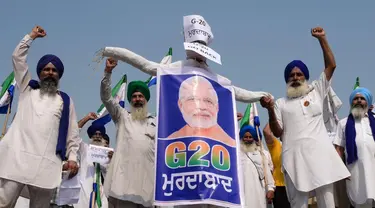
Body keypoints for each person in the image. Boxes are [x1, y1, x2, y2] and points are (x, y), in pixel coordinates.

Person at [261, 27, 350, 208]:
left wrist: (322, 39)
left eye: (299, 74)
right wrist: (270, 110)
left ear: (305, 77)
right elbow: (278, 132)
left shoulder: (316, 91)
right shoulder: (281, 103)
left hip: (321, 156)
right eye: (292, 75)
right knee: (298, 204)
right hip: (293, 160)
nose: (295, 77)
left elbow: (331, 66)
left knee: (327, 203)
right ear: (287, 80)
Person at [98, 14, 273, 106]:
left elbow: (236, 92)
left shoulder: (214, 77)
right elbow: (145, 65)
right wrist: (113, 52)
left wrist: (261, 95)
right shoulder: (175, 68)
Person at [0, 26, 80, 207]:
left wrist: (73, 157)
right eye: (46, 69)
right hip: (16, 159)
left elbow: (72, 133)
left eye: (54, 70)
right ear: (39, 73)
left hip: (46, 165)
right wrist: (31, 37)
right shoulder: (27, 89)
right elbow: (17, 58)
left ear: (59, 75)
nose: (50, 73)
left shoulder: (65, 101)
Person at [100, 58, 156, 208]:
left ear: (146, 99)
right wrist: (108, 72)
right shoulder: (123, 117)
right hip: (123, 185)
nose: (137, 99)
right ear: (130, 100)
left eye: (140, 96)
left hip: (147, 184)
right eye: (134, 96)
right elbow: (106, 98)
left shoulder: (156, 122)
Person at [334, 87, 375, 208]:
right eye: (355, 98)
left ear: (367, 102)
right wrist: (341, 170)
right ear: (351, 102)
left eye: (362, 98)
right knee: (358, 201)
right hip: (354, 171)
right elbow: (339, 149)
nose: (358, 101)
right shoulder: (343, 123)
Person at [167, 75, 235, 147]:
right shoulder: (169, 142)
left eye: (208, 101)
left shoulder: (231, 146)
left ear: (217, 107)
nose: (202, 107)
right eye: (192, 99)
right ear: (180, 105)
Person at [239, 125, 275, 208]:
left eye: (250, 137)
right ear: (241, 138)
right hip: (242, 191)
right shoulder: (236, 154)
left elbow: (268, 174)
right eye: (245, 137)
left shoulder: (262, 154)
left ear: (254, 138)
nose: (248, 139)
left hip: (259, 191)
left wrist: (270, 189)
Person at [263, 123, 290, 208]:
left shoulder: (300, 145)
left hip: (297, 185)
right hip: (280, 187)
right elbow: (266, 132)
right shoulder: (277, 145)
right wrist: (275, 111)